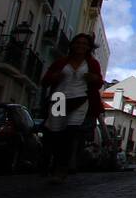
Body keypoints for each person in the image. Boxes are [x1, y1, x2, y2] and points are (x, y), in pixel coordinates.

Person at [39, 33, 104, 184]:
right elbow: (46, 80)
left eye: (84, 44)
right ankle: (52, 164)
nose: (81, 46)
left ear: (89, 47)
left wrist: (94, 79)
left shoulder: (92, 64)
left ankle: (61, 169)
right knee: (55, 135)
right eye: (78, 43)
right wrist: (55, 77)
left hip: (80, 99)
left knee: (70, 134)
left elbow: (99, 81)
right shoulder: (62, 62)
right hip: (59, 100)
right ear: (72, 45)